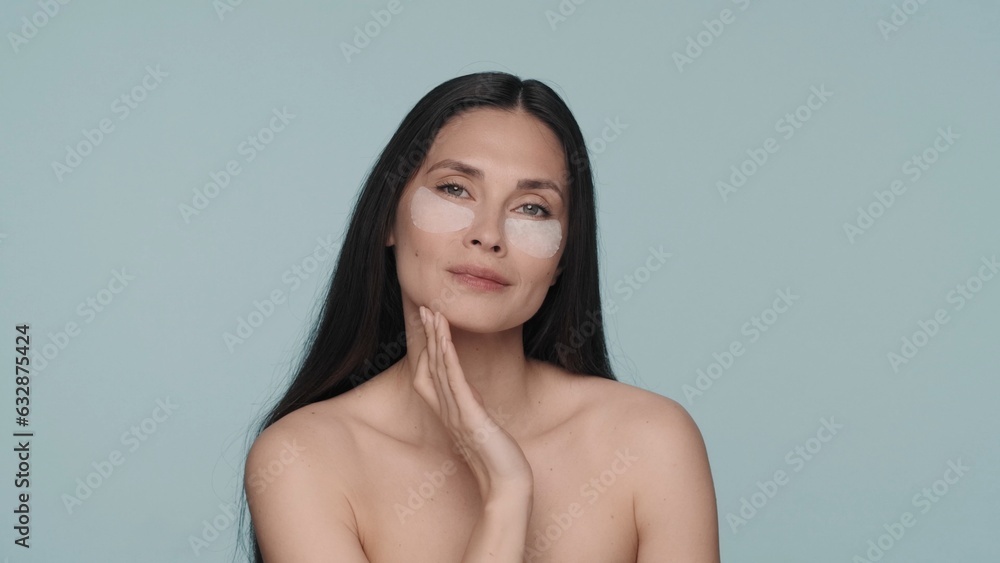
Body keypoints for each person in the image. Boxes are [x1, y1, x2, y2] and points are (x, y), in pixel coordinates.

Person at [240, 71, 720, 562]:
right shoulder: (301, 458)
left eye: (532, 209)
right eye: (455, 189)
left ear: (561, 262)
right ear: (388, 218)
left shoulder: (652, 444)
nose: (488, 234)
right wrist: (506, 494)